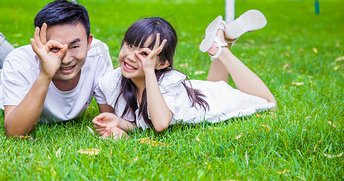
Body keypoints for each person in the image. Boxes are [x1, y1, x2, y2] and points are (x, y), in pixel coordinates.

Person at [0, 0, 114, 136]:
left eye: (75, 46)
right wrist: (46, 74)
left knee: (26, 62)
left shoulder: (98, 54)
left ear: (89, 42)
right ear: (40, 44)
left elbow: (110, 116)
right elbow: (15, 131)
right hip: (10, 84)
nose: (67, 58)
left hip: (27, 66)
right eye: (55, 48)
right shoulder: (20, 63)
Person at [92, 11, 277, 138]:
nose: (130, 56)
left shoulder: (167, 83)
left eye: (144, 53)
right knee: (217, 85)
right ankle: (222, 40)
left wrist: (148, 70)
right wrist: (118, 122)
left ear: (163, 64)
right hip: (199, 94)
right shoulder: (114, 80)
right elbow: (141, 123)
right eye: (129, 46)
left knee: (269, 103)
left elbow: (160, 124)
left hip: (211, 102)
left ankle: (222, 50)